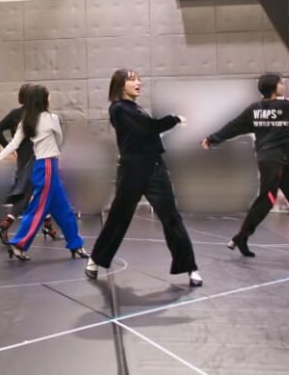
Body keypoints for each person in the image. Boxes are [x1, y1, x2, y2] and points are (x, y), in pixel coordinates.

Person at [85, 70, 202, 287]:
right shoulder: (118, 109)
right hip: (132, 171)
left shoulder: (136, 108)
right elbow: (150, 128)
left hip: (155, 168)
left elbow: (149, 130)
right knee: (119, 217)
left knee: (171, 217)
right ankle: (96, 259)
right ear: (121, 85)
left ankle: (190, 267)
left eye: (138, 79)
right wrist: (175, 118)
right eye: (132, 79)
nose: (138, 82)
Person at [203, 73, 289, 257]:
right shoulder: (287, 107)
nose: (283, 86)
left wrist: (213, 138)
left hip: (275, 161)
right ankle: (241, 237)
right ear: (274, 87)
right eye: (281, 83)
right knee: (267, 199)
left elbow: (234, 126)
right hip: (274, 161)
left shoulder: (255, 109)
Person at [0, 85, 87, 261]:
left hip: (43, 166)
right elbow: (59, 140)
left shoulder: (26, 121)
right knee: (38, 209)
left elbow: (13, 144)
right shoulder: (52, 118)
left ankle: (76, 244)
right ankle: (18, 244)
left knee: (63, 208)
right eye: (48, 96)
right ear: (43, 100)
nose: (50, 98)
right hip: (48, 166)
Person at [0, 83, 58, 244]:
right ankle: (5, 226)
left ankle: (47, 225)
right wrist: (8, 149)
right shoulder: (36, 116)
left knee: (40, 192)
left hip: (26, 159)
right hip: (35, 160)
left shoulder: (21, 114)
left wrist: (9, 149)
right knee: (30, 194)